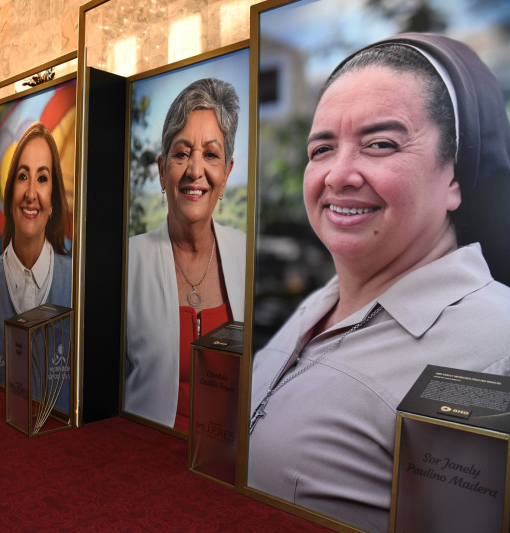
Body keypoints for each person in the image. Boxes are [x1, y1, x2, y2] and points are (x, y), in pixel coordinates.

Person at [247, 34, 510, 532]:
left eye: (381, 144)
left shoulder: (497, 348)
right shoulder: (315, 307)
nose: (338, 175)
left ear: (454, 177)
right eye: (322, 148)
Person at [125, 78, 246, 432]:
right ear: (162, 171)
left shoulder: (250, 257)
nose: (195, 170)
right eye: (181, 153)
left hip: (229, 459)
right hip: (143, 453)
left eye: (210, 154)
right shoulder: (127, 262)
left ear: (226, 173)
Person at [0, 122, 72, 392]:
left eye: (42, 178)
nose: (30, 194)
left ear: (53, 201)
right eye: (23, 176)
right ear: (10, 191)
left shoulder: (76, 283)